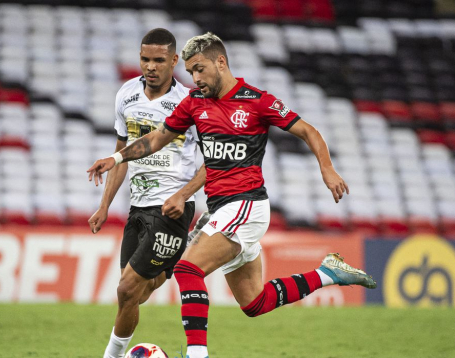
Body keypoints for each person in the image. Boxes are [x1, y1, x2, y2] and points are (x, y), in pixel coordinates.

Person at [88, 32, 377, 358]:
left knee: (187, 270)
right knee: (255, 302)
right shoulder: (195, 103)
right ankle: (328, 273)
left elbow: (307, 130)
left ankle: (197, 354)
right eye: (191, 71)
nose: (195, 78)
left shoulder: (257, 100)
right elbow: (156, 139)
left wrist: (327, 168)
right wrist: (116, 158)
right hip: (220, 210)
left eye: (200, 69)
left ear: (220, 62)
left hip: (247, 204)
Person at [88, 28, 206, 358]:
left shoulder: (191, 104)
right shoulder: (126, 95)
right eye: (144, 59)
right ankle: (163, 270)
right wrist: (104, 206)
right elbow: (122, 154)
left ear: (174, 60)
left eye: (157, 60)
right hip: (138, 208)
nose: (150, 66)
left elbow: (213, 163)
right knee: (136, 295)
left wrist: (183, 195)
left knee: (126, 287)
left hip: (171, 209)